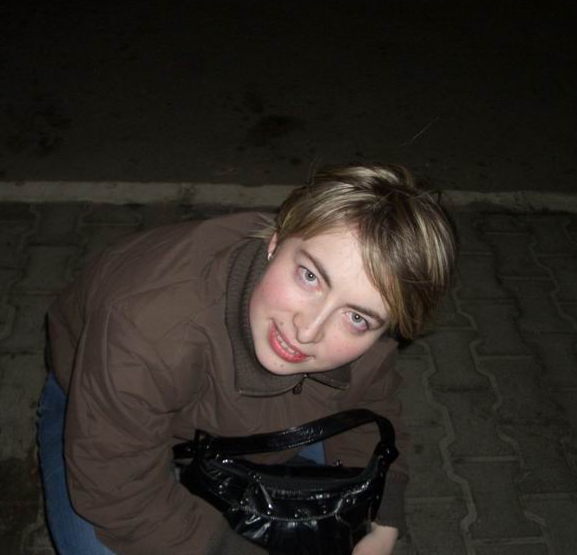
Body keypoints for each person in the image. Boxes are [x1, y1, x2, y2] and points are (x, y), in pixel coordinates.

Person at [37, 163, 458, 555]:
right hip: (95, 403)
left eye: (356, 317)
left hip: (239, 423)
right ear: (275, 242)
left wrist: (379, 515)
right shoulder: (147, 327)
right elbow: (120, 495)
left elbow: (370, 408)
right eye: (310, 276)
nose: (307, 331)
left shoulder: (368, 327)